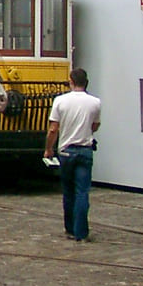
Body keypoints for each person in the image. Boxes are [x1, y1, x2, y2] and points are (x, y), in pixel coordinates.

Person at [45, 68, 101, 242]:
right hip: (85, 149)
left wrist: (48, 149)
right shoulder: (95, 102)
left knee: (68, 191)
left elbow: (53, 129)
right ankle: (81, 232)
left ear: (71, 81)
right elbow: (95, 126)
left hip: (66, 151)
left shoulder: (60, 101)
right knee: (82, 191)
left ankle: (69, 228)